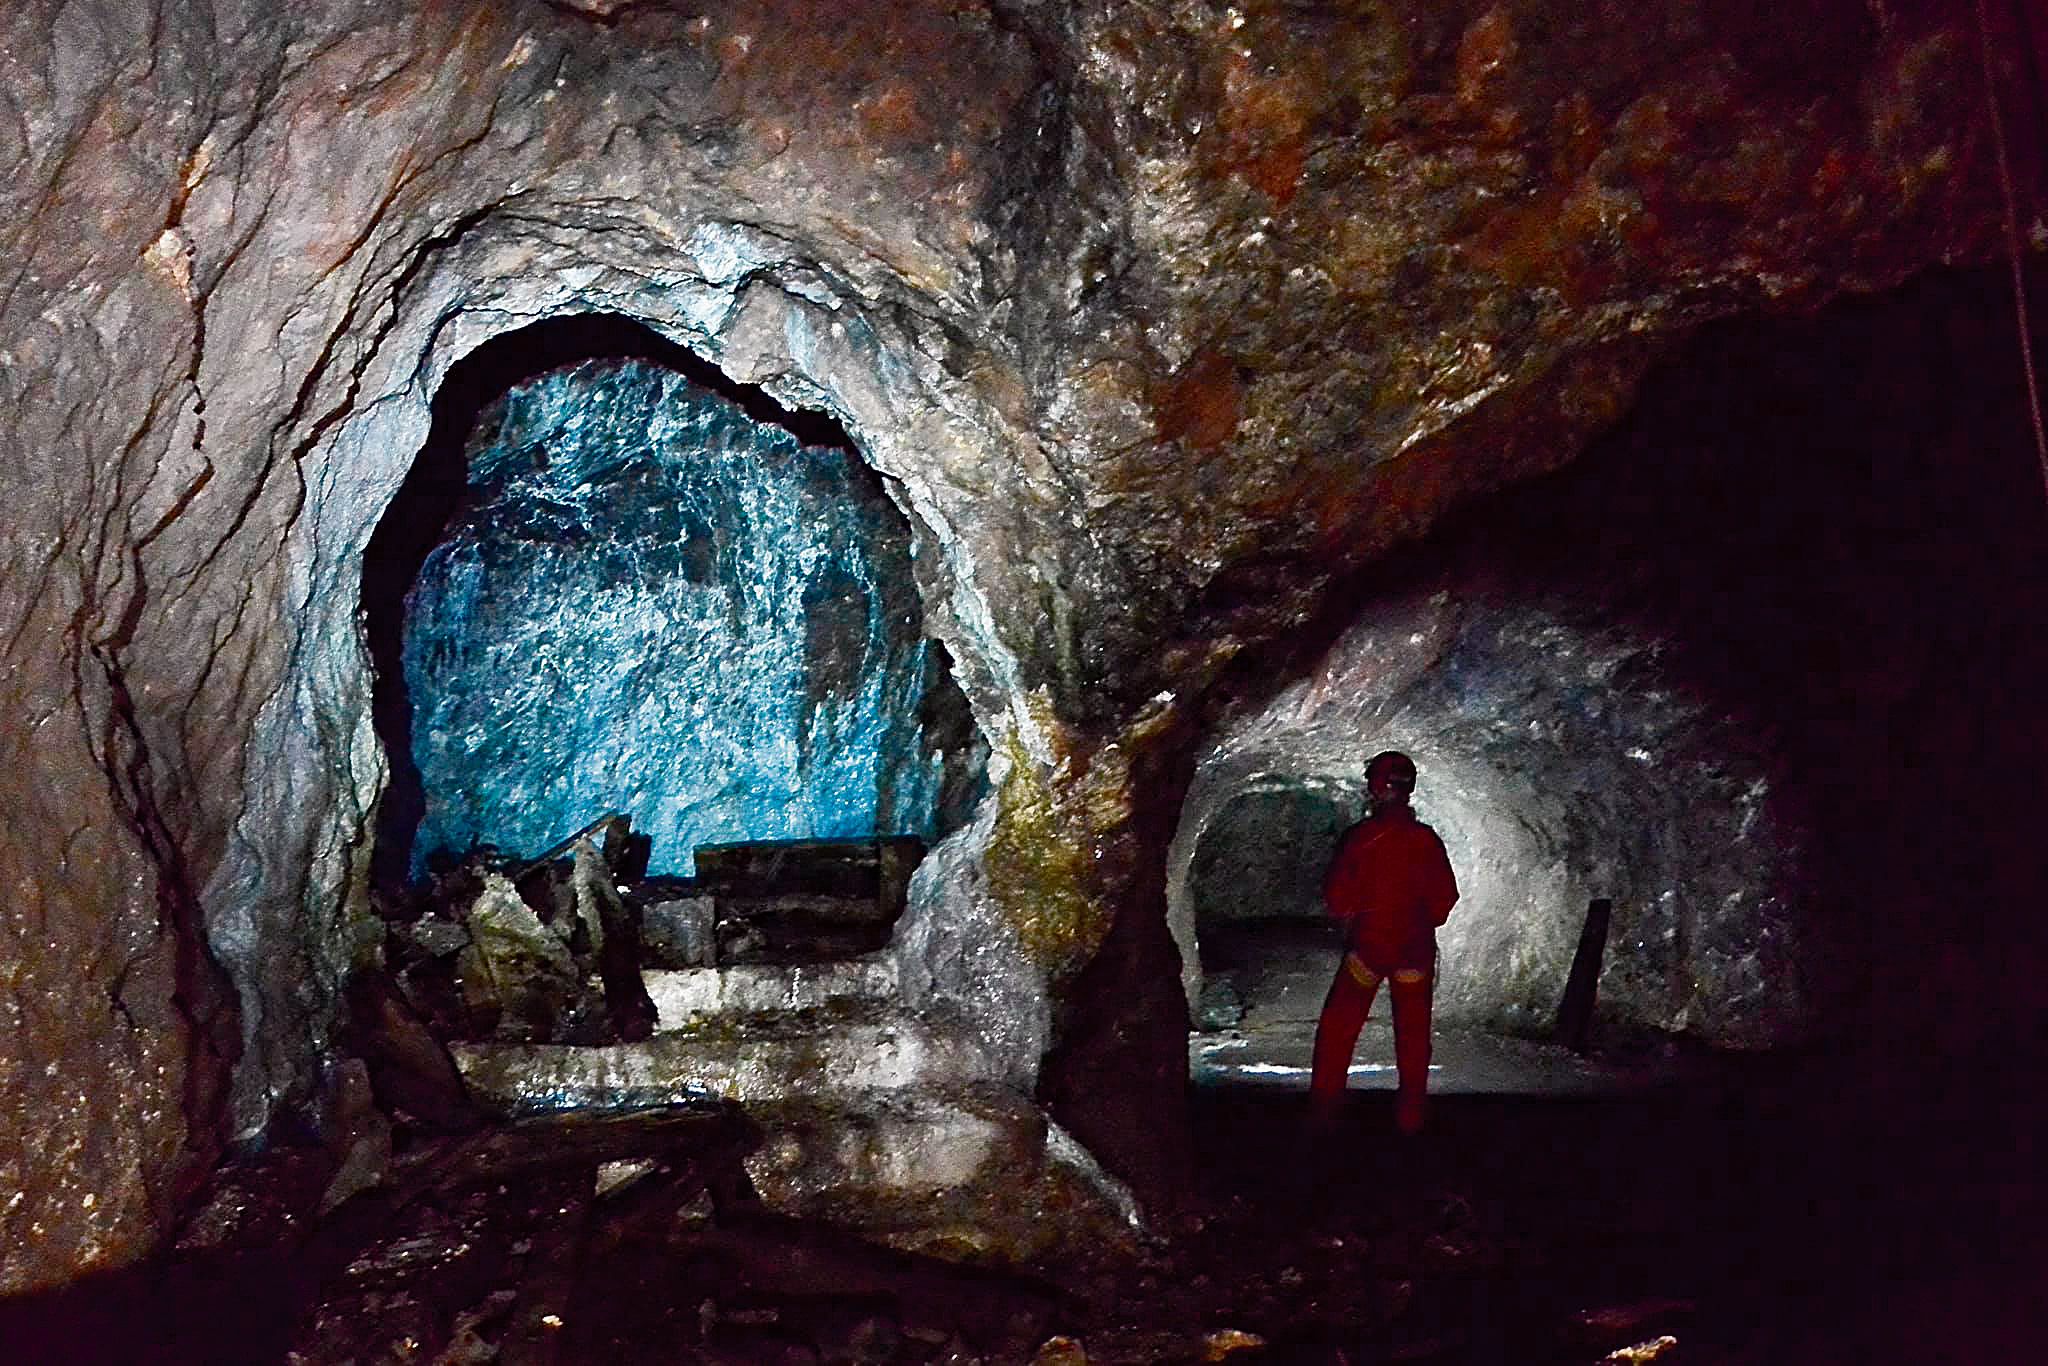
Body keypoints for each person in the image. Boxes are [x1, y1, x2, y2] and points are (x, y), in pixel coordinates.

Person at [1311, 750, 1459, 1135]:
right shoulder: (1427, 840)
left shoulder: (1361, 839)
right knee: (1413, 1035)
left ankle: (1325, 1113)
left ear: (1376, 788)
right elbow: (1444, 900)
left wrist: (1363, 911)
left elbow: (1337, 899)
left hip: (1370, 947)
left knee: (1338, 1030)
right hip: (1415, 949)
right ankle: (1411, 1116)